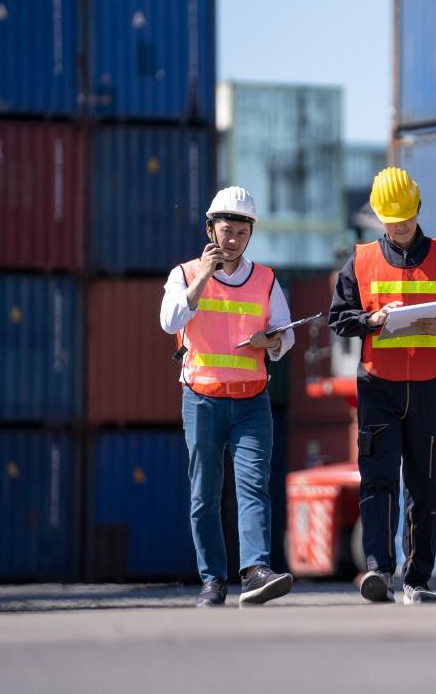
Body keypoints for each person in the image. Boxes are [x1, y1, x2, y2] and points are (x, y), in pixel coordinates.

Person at [328, 167, 436, 604]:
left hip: (433, 388)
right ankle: (379, 570)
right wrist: (371, 320)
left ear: (418, 208)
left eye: (404, 218)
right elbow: (338, 319)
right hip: (379, 387)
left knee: (427, 485)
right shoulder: (359, 261)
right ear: (379, 217)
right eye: (390, 220)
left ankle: (418, 579)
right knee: (377, 482)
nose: (398, 227)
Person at [160, 186, 295, 608]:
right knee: (206, 493)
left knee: (254, 487)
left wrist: (271, 341)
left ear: (250, 234)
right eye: (225, 230)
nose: (232, 239)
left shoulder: (267, 279)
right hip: (202, 399)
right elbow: (169, 321)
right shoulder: (183, 275)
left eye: (240, 231)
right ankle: (212, 580)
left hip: (252, 401)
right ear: (210, 229)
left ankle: (255, 571)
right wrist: (204, 276)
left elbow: (286, 333)